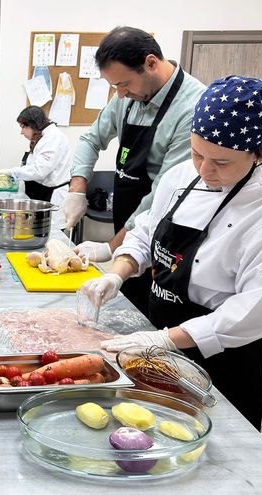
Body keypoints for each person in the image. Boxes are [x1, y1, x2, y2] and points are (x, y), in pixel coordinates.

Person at [81, 76, 262, 432]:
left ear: (256, 152)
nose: (204, 170)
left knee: (217, 444)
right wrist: (117, 272)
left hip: (228, 357)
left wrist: (164, 338)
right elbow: (146, 233)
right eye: (197, 153)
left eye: (221, 162)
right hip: (163, 341)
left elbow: (254, 312)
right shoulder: (181, 176)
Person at [63, 26, 206, 313]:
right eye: (115, 86)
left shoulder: (192, 106)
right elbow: (91, 139)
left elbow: (163, 193)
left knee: (149, 308)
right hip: (127, 217)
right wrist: (77, 189)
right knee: (123, 297)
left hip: (164, 228)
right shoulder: (127, 97)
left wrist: (111, 247)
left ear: (150, 63)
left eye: (124, 84)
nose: (120, 94)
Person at [0, 106, 71, 229]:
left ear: (33, 125)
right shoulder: (43, 137)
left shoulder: (54, 138)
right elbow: (33, 166)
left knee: (52, 236)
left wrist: (12, 172)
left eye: (23, 127)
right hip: (41, 194)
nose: (22, 132)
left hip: (52, 197)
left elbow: (39, 171)